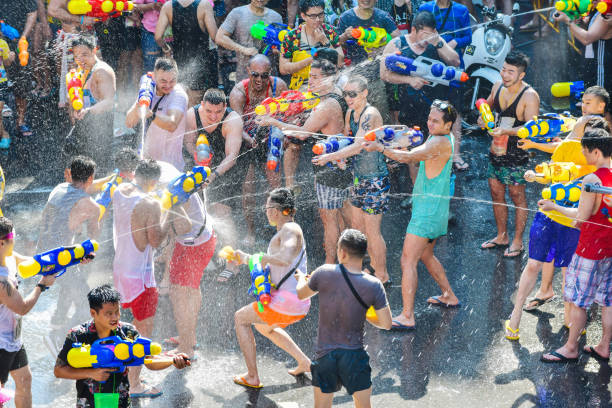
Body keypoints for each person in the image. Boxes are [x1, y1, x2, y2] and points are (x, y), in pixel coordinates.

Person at [363, 100, 460, 329]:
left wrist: (381, 148)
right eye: (429, 118)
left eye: (436, 121)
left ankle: (407, 316)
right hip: (435, 210)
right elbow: (416, 152)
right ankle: (449, 295)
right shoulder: (444, 137)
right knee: (426, 255)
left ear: (448, 125)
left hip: (426, 214)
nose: (430, 123)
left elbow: (409, 158)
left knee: (408, 261)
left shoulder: (438, 140)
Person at [257, 58, 351, 264]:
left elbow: (302, 134)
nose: (311, 82)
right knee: (342, 214)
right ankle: (348, 259)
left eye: (316, 77)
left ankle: (330, 263)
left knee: (329, 219)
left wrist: (273, 121)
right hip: (340, 161)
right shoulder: (336, 94)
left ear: (330, 78)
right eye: (310, 77)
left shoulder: (328, 105)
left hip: (329, 166)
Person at [111, 159, 191, 397]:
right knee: (142, 332)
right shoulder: (151, 204)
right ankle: (134, 385)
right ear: (154, 181)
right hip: (141, 277)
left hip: (120, 269)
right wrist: (169, 208)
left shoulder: (120, 190)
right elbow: (155, 241)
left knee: (123, 327)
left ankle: (126, 372)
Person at [295, 229, 392, 407]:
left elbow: (301, 294)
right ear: (363, 254)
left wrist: (301, 278)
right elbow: (386, 324)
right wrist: (365, 313)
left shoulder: (323, 273)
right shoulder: (373, 285)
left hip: (325, 356)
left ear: (342, 252)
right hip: (354, 356)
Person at [540, 128, 612, 363]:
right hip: (609, 247)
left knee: (579, 301)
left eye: (585, 151)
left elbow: (580, 218)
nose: (582, 155)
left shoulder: (593, 179)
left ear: (596, 151)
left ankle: (571, 348)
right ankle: (603, 346)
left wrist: (554, 207)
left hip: (590, 249)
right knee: (607, 301)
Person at [54, 284, 190, 407]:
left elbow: (150, 361)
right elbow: (59, 370)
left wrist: (172, 361)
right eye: (109, 313)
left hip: (121, 402)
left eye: (117, 312)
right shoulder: (78, 334)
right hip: (89, 403)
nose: (115, 317)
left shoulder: (127, 332)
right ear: (93, 313)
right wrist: (90, 373)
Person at [312, 75, 390, 285]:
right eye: (346, 94)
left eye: (353, 94)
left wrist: (330, 157)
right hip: (358, 177)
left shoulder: (370, 114)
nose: (348, 98)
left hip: (374, 179)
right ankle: (356, 269)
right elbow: (348, 140)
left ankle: (381, 274)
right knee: (356, 227)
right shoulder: (350, 113)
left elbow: (360, 145)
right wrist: (341, 158)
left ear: (365, 93)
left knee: (372, 231)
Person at [231, 188, 312, 388]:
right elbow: (272, 262)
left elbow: (285, 259)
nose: (265, 211)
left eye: (267, 207)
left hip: (286, 302)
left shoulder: (291, 230)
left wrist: (258, 257)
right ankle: (304, 362)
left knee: (240, 319)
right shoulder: (286, 231)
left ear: (275, 211)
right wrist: (246, 259)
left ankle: (252, 376)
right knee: (264, 327)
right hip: (295, 303)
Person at [478, 51, 540, 258]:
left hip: (517, 154)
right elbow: (485, 106)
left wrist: (507, 131)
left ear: (521, 75)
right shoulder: (497, 86)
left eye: (510, 72)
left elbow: (534, 128)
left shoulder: (529, 96)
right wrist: (481, 118)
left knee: (517, 196)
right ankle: (501, 236)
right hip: (496, 150)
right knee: (496, 193)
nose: (505, 75)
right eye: (503, 69)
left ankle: (517, 241)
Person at [280, 0, 344, 187]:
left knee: (327, 138)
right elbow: (284, 68)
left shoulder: (330, 31)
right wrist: (311, 59)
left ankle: (325, 182)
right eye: (313, 16)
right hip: (301, 92)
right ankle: (290, 186)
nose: (318, 20)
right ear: (302, 16)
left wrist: (325, 42)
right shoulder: (292, 37)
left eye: (321, 15)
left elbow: (340, 62)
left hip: (327, 93)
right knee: (294, 142)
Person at [184, 88, 244, 283]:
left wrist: (213, 175)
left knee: (222, 213)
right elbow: (189, 143)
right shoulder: (192, 115)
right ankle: (208, 256)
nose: (213, 116)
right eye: (209, 111)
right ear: (202, 105)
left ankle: (232, 264)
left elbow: (232, 157)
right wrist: (199, 163)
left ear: (225, 107)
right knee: (200, 213)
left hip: (226, 168)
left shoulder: (232, 120)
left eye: (218, 112)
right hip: (201, 165)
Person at [229, 54, 288, 246]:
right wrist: (250, 139)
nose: (260, 80)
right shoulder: (239, 91)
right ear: (248, 71)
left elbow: (287, 115)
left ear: (270, 73)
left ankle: (280, 229)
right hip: (247, 140)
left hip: (270, 137)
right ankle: (250, 231)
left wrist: (284, 136)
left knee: (275, 186)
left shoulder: (278, 86)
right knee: (248, 190)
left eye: (264, 76)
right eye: (255, 75)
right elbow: (236, 125)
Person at [37, 156, 101, 327]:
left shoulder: (59, 188)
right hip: (59, 258)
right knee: (87, 302)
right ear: (90, 178)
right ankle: (66, 336)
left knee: (70, 280)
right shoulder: (92, 206)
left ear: (70, 174)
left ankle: (57, 321)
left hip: (41, 253)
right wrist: (90, 255)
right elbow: (93, 239)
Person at [0, 217, 58, 408]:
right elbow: (22, 307)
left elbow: (33, 263)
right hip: (0, 344)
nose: (15, 239)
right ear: (2, 241)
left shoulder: (8, 257)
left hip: (13, 339)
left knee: (24, 381)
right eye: (13, 236)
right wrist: (42, 285)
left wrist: (71, 257)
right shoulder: (2, 282)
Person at [418, 0, 471, 170]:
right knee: (429, 111)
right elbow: (418, 35)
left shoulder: (461, 10)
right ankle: (430, 152)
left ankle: (456, 155)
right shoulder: (425, 8)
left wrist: (456, 42)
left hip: (453, 68)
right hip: (430, 66)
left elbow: (468, 36)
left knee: (455, 112)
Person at [63, 35, 117, 174]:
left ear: (94, 51)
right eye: (77, 56)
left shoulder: (101, 71)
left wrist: (89, 111)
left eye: (85, 55)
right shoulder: (82, 69)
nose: (80, 60)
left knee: (98, 169)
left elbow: (109, 101)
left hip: (100, 127)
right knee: (84, 171)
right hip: (86, 126)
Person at [126, 58, 188, 171]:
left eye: (172, 81)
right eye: (163, 81)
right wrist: (139, 102)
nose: (168, 85)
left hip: (170, 166)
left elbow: (172, 124)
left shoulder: (178, 95)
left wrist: (152, 115)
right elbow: (129, 123)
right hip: (147, 161)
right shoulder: (148, 90)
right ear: (154, 77)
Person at [155, 0, 218, 106]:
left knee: (180, 102)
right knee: (195, 107)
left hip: (179, 62)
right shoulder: (204, 5)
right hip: (201, 64)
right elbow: (215, 36)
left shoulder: (168, 6)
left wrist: (167, 49)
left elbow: (158, 37)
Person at [553, 7, 612, 121]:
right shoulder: (597, 9)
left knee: (602, 100)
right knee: (598, 99)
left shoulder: (606, 12)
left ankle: (604, 134)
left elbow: (587, 38)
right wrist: (578, 22)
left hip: (603, 60)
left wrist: (568, 21)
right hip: (595, 59)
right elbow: (588, 31)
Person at [215, 0, 283, 82]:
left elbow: (281, 48)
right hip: (244, 77)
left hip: (269, 78)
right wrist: (243, 49)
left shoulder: (276, 17)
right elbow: (220, 37)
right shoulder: (237, 13)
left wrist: (278, 51)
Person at [0, 1, 38, 140]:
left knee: (22, 83)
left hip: (19, 43)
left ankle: (20, 121)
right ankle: (2, 130)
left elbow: (32, 13)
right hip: (0, 40)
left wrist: (24, 36)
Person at [132, 0, 164, 72]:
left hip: (172, 31)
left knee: (171, 65)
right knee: (151, 66)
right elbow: (135, 6)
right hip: (150, 30)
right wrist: (152, 6)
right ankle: (150, 83)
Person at [0, 38, 15, 149]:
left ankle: (5, 135)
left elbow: (7, 63)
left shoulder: (2, 43)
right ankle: (4, 134)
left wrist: (10, 57)